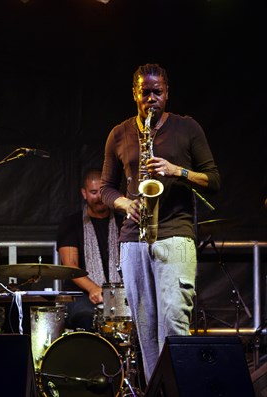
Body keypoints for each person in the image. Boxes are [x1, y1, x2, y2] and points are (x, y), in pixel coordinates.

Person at [100, 63, 220, 382]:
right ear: (135, 93)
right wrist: (124, 202)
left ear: (167, 93)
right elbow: (105, 187)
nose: (151, 98)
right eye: (145, 92)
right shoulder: (119, 133)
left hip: (175, 236)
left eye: (157, 92)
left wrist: (176, 170)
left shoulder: (187, 127)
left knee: (174, 327)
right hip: (133, 238)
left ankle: (182, 389)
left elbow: (213, 180)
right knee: (146, 333)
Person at [56, 167, 122, 332]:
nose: (99, 198)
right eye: (93, 192)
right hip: (82, 295)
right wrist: (93, 288)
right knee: (86, 317)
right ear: (84, 193)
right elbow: (70, 266)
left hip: (119, 293)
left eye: (102, 192)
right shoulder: (71, 224)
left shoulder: (124, 223)